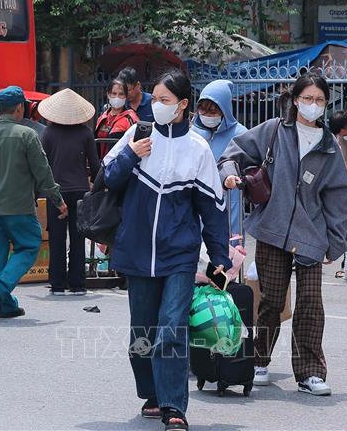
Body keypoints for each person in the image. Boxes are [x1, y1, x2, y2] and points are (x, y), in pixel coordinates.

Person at [103, 69, 231, 430]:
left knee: (172, 327)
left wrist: (219, 258)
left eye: (165, 100)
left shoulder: (198, 149)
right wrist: (131, 154)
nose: (157, 106)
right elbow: (108, 178)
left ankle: (174, 405)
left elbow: (213, 208)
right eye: (154, 99)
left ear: (183, 104)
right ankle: (153, 393)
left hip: (180, 255)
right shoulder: (136, 133)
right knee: (142, 332)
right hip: (137, 251)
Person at [219, 73, 347, 395]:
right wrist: (230, 176)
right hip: (272, 229)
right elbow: (232, 155)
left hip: (312, 235)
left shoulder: (328, 145)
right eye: (307, 99)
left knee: (310, 303)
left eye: (319, 100)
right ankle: (259, 360)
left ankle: (309, 372)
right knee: (272, 301)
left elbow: (337, 196)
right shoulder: (275, 130)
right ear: (295, 100)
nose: (313, 105)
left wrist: (336, 240)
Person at [0, 86, 67, 318]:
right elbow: (42, 172)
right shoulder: (27, 135)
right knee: (28, 247)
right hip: (19, 207)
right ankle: (0, 285)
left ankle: (5, 305)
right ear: (21, 108)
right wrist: (57, 199)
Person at [39, 88, 100, 296]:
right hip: (81, 191)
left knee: (56, 238)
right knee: (78, 238)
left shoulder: (48, 133)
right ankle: (77, 284)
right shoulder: (85, 133)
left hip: (56, 192)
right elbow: (94, 163)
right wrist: (97, 185)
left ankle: (57, 283)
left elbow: (43, 165)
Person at [191, 79, 247, 234]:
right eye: (203, 110)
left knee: (229, 251)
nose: (207, 115)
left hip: (229, 204)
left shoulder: (240, 134)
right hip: (197, 202)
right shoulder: (194, 134)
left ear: (225, 110)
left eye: (212, 111)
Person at [95, 79, 139, 158]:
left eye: (121, 94)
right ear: (108, 95)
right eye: (114, 93)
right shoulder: (102, 117)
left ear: (125, 96)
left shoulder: (131, 118)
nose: (117, 97)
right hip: (101, 165)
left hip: (120, 166)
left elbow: (137, 144)